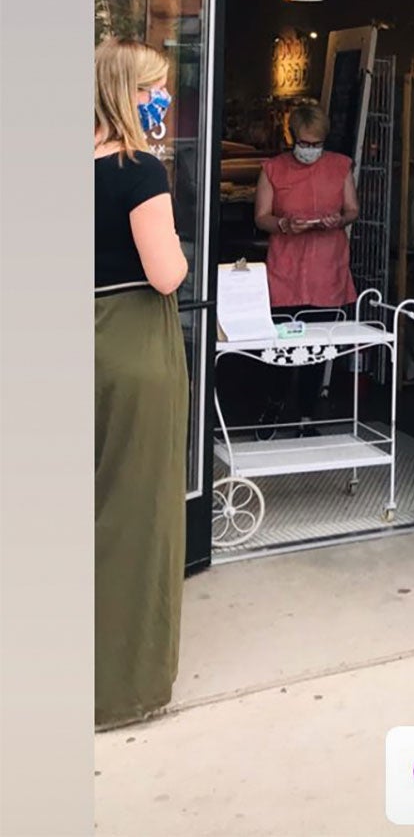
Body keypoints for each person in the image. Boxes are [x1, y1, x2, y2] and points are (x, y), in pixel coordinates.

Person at [94, 39, 190, 728]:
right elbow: (166, 273)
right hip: (132, 342)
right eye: (154, 89)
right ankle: (120, 685)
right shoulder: (141, 171)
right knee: (136, 510)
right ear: (128, 93)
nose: (162, 101)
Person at [253, 103, 359, 427]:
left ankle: (308, 413)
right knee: (279, 347)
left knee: (318, 347)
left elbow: (353, 210)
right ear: (291, 137)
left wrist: (338, 220)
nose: (310, 149)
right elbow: (261, 217)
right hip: (285, 270)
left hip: (326, 269)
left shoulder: (340, 166)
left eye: (316, 144)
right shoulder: (273, 168)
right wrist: (284, 225)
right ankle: (274, 405)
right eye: (304, 142)